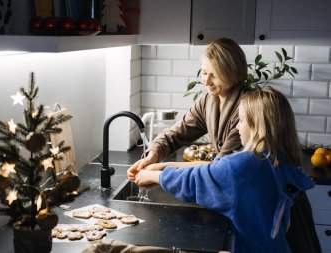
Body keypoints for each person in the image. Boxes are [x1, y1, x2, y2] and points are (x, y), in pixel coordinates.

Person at [130, 87, 315, 253]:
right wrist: (162, 166)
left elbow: (195, 181)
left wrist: (153, 176)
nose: (237, 126)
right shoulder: (272, 159)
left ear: (258, 126)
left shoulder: (245, 164)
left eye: (241, 120)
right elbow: (216, 170)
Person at [130, 37, 247, 174]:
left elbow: (221, 169)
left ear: (233, 73)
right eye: (204, 73)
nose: (206, 81)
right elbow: (176, 133)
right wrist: (154, 153)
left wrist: (163, 169)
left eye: (214, 76)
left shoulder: (247, 109)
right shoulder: (208, 102)